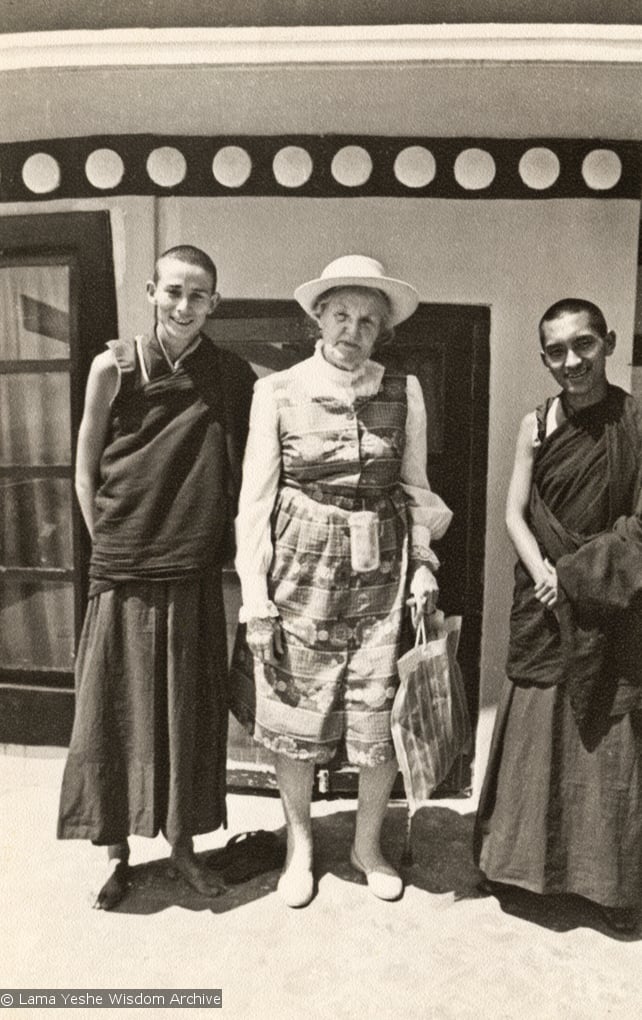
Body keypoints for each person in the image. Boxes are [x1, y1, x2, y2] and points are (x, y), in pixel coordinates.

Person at [230, 255, 452, 907]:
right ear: (317, 320)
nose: (352, 328)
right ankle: (299, 847)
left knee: (380, 713)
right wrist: (255, 597)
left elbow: (415, 488)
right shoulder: (275, 391)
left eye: (367, 319)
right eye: (340, 315)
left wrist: (422, 566)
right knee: (296, 715)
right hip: (300, 573)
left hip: (383, 577)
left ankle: (366, 845)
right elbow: (255, 501)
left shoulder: (404, 390)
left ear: (382, 331)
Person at [57, 245, 255, 909]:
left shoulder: (229, 374)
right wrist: (107, 541)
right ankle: (115, 856)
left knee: (187, 713)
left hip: (192, 565)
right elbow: (84, 469)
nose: (183, 306)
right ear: (150, 291)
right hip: (124, 564)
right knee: (115, 708)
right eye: (173, 292)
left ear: (214, 304)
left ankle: (182, 849)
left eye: (198, 296)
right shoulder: (113, 366)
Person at [475, 298, 642, 934]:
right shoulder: (538, 423)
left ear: (610, 342)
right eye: (556, 351)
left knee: (608, 730)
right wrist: (545, 573)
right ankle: (523, 871)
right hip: (545, 598)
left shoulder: (636, 419)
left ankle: (608, 885)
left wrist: (573, 578)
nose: (571, 361)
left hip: (613, 599)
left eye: (585, 345)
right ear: (543, 356)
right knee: (538, 727)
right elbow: (515, 512)